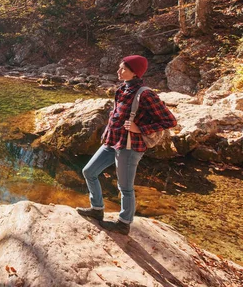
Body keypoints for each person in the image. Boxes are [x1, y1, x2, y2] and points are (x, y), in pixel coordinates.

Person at [76, 55, 177, 235]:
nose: (118, 71)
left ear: (135, 73)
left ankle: (124, 223)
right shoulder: (122, 88)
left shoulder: (146, 94)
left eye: (123, 69)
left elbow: (169, 120)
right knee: (89, 171)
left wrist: (142, 128)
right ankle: (97, 209)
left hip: (130, 146)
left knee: (125, 187)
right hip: (113, 141)